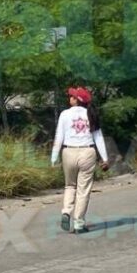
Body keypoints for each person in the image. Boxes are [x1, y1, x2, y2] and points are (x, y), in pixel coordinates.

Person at [50, 86, 110, 234]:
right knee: (83, 190)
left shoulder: (64, 114)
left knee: (70, 186)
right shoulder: (91, 114)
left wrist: (54, 157)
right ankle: (78, 224)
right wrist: (105, 158)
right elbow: (98, 138)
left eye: (72, 96)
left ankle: (66, 211)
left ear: (77, 100)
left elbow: (59, 137)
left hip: (68, 152)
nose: (69, 98)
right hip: (87, 152)